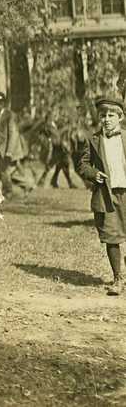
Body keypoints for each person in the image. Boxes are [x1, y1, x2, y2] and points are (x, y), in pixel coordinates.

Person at [76, 96, 126, 295]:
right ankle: (118, 279)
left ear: (120, 118)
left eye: (111, 115)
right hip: (106, 194)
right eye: (103, 115)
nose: (106, 119)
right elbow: (82, 164)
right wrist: (93, 174)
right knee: (111, 235)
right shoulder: (94, 140)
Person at [0, 92, 29, 198]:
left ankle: (8, 192)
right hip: (0, 150)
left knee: (5, 171)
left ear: (3, 103)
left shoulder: (9, 115)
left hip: (9, 150)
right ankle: (27, 186)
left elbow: (13, 134)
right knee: (6, 172)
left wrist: (9, 152)